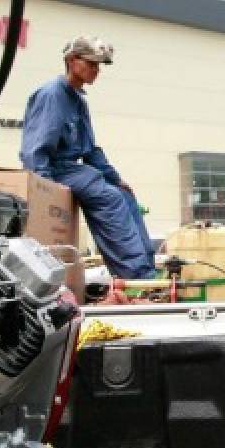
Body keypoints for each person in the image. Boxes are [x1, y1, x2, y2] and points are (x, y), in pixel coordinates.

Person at [20, 36, 157, 279]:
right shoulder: (52, 95)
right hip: (55, 170)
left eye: (98, 66)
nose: (96, 70)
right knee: (111, 199)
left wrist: (115, 178)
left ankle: (147, 268)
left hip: (72, 169)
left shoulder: (77, 100)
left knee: (123, 195)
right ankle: (135, 276)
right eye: (92, 64)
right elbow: (36, 149)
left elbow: (90, 150)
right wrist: (44, 188)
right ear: (73, 62)